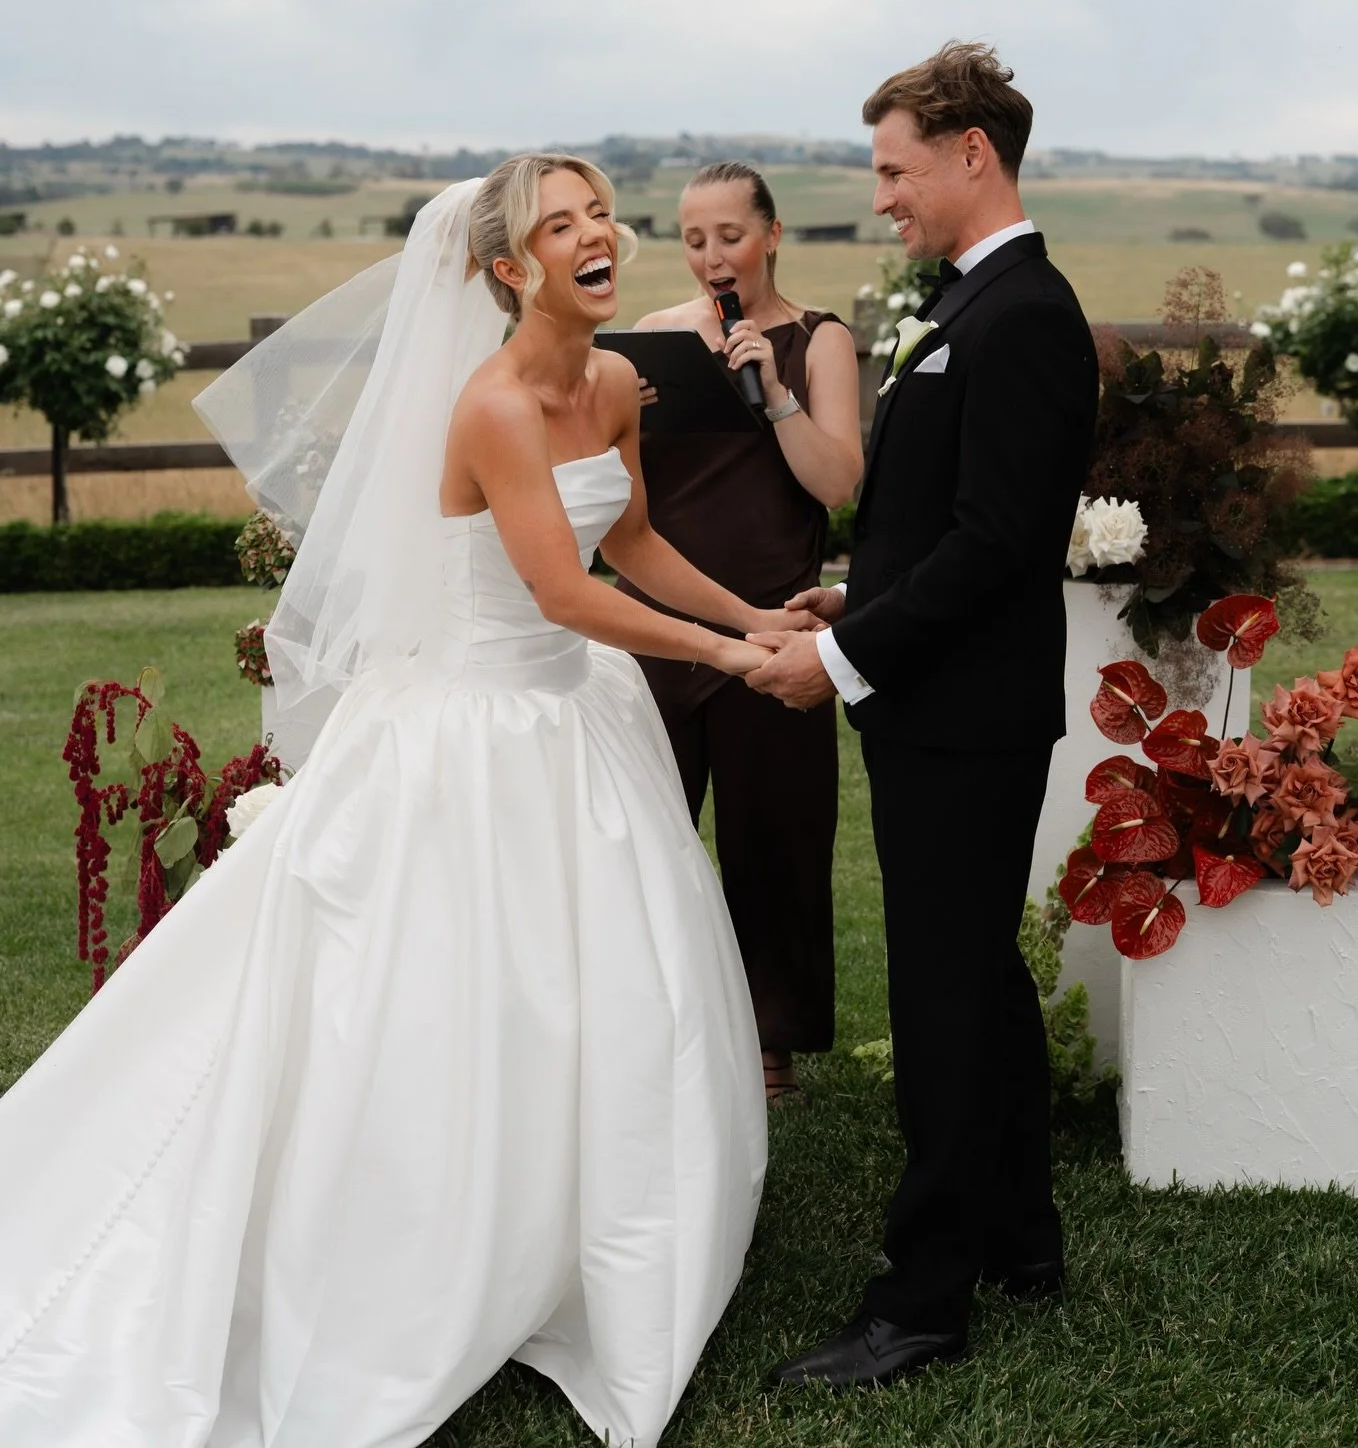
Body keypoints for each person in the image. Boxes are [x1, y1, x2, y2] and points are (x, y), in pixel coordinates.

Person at [0, 157, 807, 1448]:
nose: (599, 233)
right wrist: (727, 662)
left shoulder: (614, 380)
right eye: (563, 222)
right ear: (506, 269)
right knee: (447, 995)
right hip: (473, 726)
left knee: (602, 985)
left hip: (578, 716)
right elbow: (558, 590)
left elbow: (635, 544)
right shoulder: (489, 404)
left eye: (600, 211)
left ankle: (580, 1229)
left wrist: (754, 611)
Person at [748, 44, 1100, 1387]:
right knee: (982, 978)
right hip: (942, 699)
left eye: (896, 168)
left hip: (964, 716)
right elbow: (949, 522)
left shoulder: (1025, 314)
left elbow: (1001, 543)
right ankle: (1021, 1232)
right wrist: (856, 594)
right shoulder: (976, 302)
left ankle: (923, 1297)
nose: (883, 194)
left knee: (942, 997)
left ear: (971, 153)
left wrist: (840, 664)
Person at [620, 162, 863, 1104]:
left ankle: (770, 1043)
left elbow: (835, 485)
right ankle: (649, 1019)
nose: (712, 255)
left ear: (771, 235)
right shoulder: (644, 341)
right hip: (658, 625)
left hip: (776, 627)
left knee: (775, 840)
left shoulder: (821, 340)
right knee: (645, 837)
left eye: (729, 234)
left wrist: (773, 390)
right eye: (693, 239)